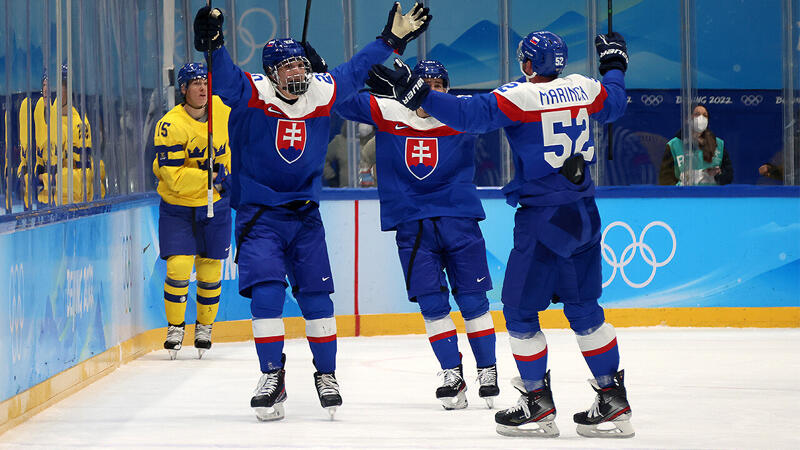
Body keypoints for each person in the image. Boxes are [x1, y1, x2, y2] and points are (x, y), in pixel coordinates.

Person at [366, 31, 634, 438]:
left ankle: (536, 402)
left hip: (544, 219)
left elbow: (468, 116)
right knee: (585, 310)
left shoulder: (521, 96)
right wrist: (614, 64)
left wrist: (416, 91)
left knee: (521, 312)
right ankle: (613, 399)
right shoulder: (584, 86)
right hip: (584, 213)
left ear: (528, 64)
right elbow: (614, 102)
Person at [193, 2, 431, 421]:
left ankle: (327, 375)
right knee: (267, 295)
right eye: (288, 66)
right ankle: (272, 375)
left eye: (301, 64)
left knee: (317, 299)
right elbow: (225, 77)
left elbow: (358, 67)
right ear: (271, 73)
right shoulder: (252, 92)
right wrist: (213, 45)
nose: (298, 72)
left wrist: (391, 40)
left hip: (304, 217)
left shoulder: (321, 92)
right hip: (259, 216)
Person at [336, 60, 500, 410]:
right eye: (425, 84)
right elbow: (337, 99)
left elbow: (507, 110)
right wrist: (336, 74)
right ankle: (451, 373)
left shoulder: (463, 112)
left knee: (473, 301)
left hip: (459, 221)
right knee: (432, 304)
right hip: (412, 226)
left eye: (438, 85)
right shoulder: (388, 111)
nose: (431, 91)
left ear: (447, 89)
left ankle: (487, 370)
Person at [152, 62, 232, 360]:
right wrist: (211, 178)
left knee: (210, 267)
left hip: (215, 205)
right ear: (183, 89)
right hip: (179, 207)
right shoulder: (170, 125)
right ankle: (175, 327)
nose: (202, 88)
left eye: (205, 82)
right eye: (195, 83)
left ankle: (204, 327)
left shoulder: (223, 110)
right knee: (179, 266)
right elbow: (173, 177)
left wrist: (230, 176)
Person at [37, 64, 106, 205]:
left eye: (55, 86)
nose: (47, 90)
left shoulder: (79, 124)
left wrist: (46, 179)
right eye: (44, 85)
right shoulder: (43, 121)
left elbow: (84, 176)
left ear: (68, 90)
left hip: (74, 207)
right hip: (48, 206)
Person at [659, 104, 733, 186]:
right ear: (687, 119)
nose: (701, 118)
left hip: (712, 193)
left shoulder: (719, 144)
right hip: (685, 193)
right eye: (697, 114)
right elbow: (665, 179)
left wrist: (717, 176)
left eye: (705, 115)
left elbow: (728, 175)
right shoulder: (673, 145)